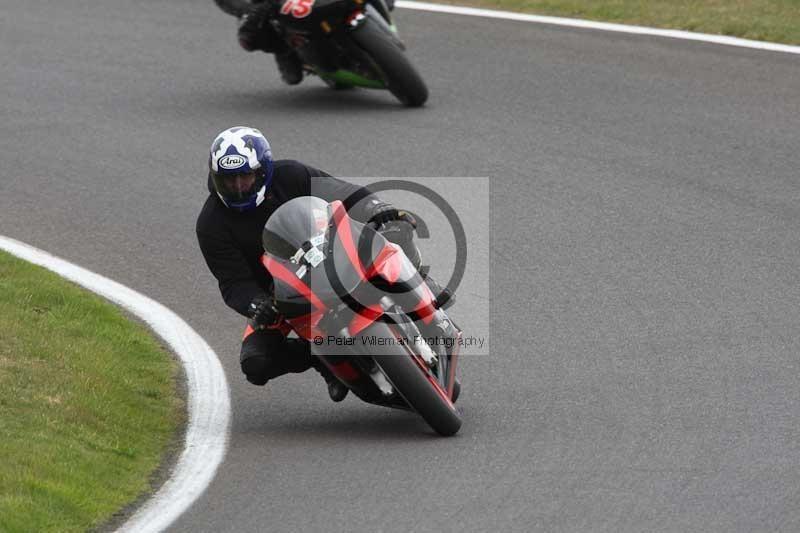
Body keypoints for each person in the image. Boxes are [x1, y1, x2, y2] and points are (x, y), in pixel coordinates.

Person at [196, 126, 452, 401]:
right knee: (256, 363)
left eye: (244, 177)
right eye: (228, 180)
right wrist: (256, 303)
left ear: (262, 171)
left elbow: (344, 193)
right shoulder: (211, 224)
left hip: (333, 255)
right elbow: (234, 282)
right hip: (282, 295)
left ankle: (419, 280)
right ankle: (324, 362)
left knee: (394, 228)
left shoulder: (291, 175)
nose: (237, 187)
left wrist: (376, 207)